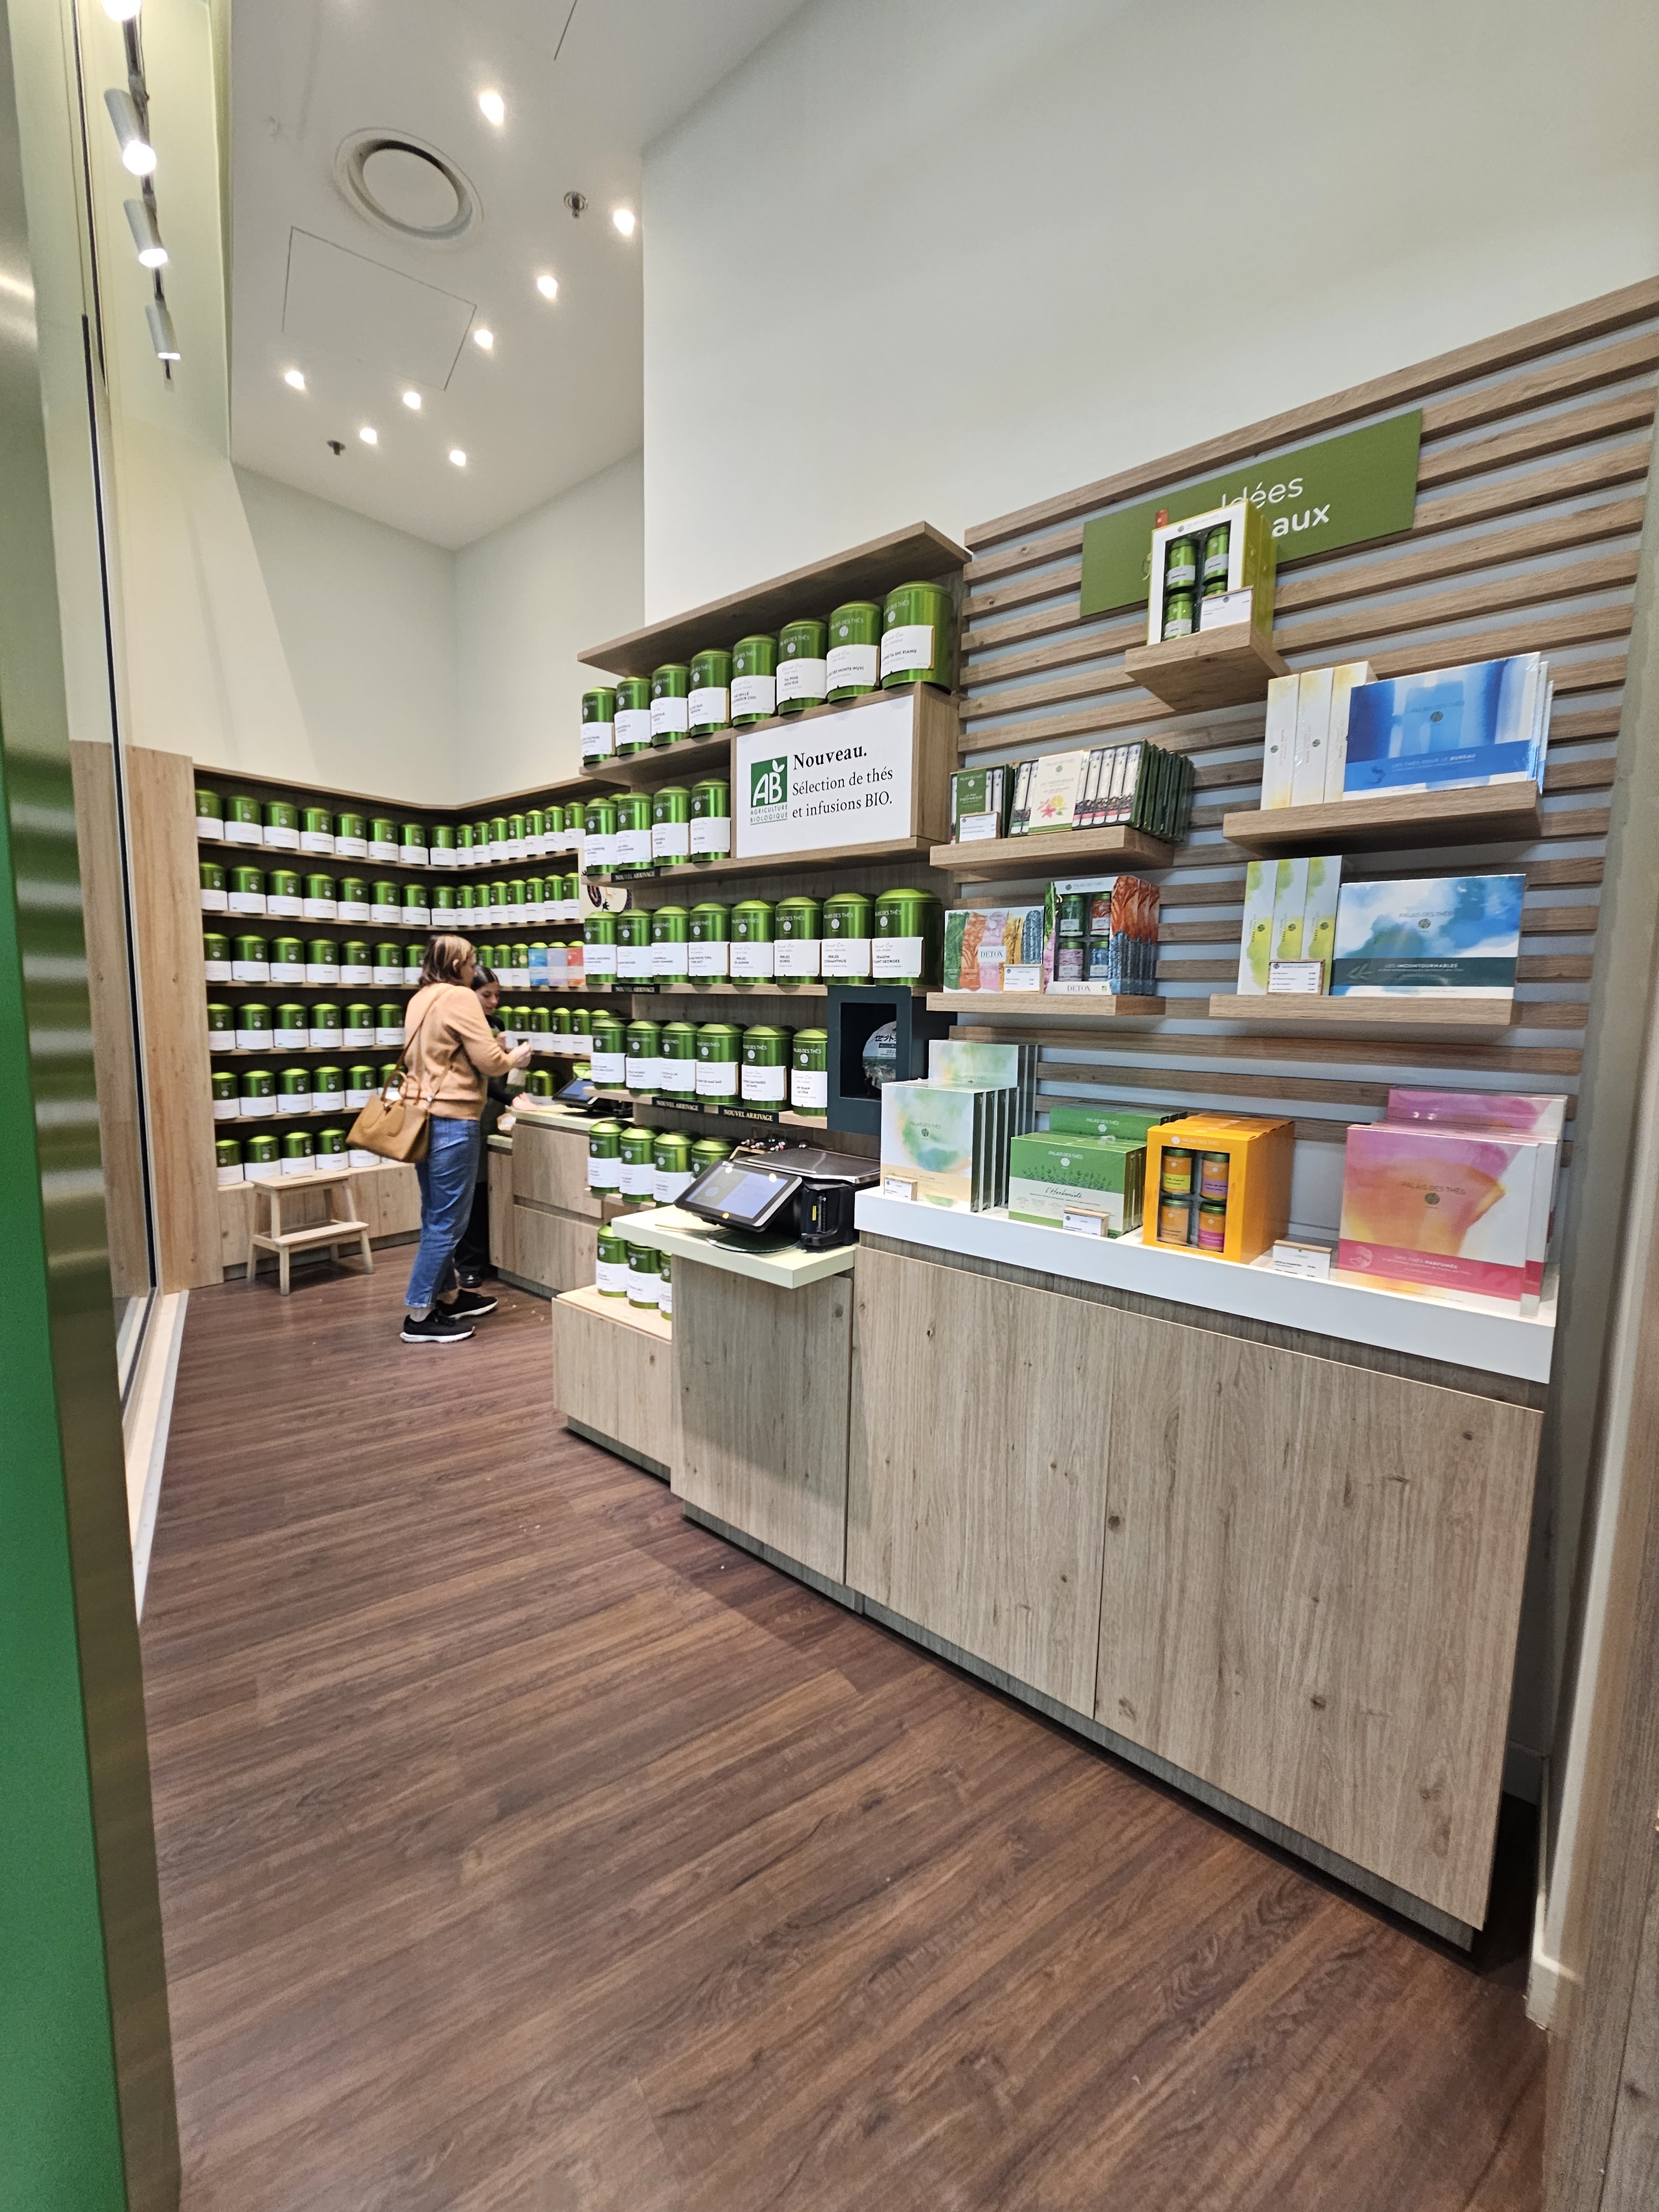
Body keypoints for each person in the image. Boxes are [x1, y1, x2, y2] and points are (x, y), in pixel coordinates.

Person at [398, 934, 532, 1345]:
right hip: (454, 1119)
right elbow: (489, 1062)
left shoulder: (421, 998)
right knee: (449, 1221)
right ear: (458, 965)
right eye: (472, 963)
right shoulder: (458, 997)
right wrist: (514, 1058)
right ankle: (419, 1314)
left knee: (435, 1215)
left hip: (423, 1116)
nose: (474, 970)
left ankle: (448, 1297)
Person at [453, 966, 531, 1288]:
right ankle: (468, 1265)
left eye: (497, 995)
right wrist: (506, 1060)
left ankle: (487, 1257)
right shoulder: (462, 1028)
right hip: (466, 1117)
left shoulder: (496, 1026)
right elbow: (480, 1075)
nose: (493, 1002)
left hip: (491, 1118)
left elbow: (497, 1079)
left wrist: (513, 1080)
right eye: (486, 995)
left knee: (488, 1191)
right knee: (469, 1195)